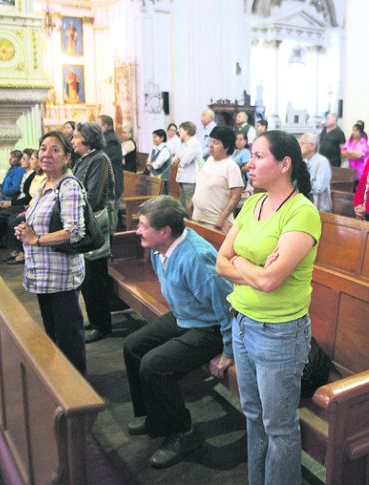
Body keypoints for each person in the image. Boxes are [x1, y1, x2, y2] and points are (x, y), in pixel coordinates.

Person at [216, 130, 320, 485]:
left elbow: (270, 281)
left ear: (284, 164)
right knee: (252, 415)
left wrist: (244, 264)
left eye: (259, 156)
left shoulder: (302, 213)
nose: (250, 162)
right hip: (242, 323)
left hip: (279, 333)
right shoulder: (253, 204)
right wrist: (253, 267)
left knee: (279, 425)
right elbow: (220, 262)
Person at [123, 196, 234, 469]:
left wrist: (229, 351)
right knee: (133, 345)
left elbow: (226, 306)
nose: (137, 230)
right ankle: (155, 417)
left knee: (155, 365)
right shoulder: (161, 249)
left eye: (143, 225)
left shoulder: (195, 257)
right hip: (186, 316)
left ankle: (183, 434)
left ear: (164, 231)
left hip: (211, 327)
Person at [15, 131, 87, 374]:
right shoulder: (44, 184)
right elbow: (39, 221)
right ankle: (60, 382)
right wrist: (25, 229)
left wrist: (35, 239)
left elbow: (73, 231)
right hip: (42, 274)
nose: (46, 154)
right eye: (43, 148)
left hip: (60, 275)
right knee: (53, 333)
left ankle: (79, 390)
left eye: (55, 149)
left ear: (67, 157)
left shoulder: (68, 187)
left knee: (69, 336)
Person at [71, 122, 117, 343]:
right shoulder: (84, 159)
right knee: (87, 277)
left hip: (96, 223)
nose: (72, 141)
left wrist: (71, 209)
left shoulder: (99, 159)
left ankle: (103, 325)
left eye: (76, 137)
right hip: (84, 222)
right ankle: (95, 319)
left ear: (88, 138)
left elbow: (95, 197)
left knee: (94, 277)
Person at [192, 126, 244, 233]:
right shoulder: (209, 160)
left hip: (214, 223)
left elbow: (236, 195)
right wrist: (191, 203)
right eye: (211, 141)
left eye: (216, 143)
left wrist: (222, 218)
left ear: (226, 147)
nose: (211, 145)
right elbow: (202, 184)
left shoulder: (231, 166)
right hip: (197, 217)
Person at [0, 149, 37, 248]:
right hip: (19, 200)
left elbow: (26, 195)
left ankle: (0, 242)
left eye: (24, 159)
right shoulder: (24, 173)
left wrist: (11, 202)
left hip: (24, 204)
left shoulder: (32, 175)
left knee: (1, 215)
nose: (21, 161)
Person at [3, 151, 46, 265]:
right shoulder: (35, 175)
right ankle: (18, 250)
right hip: (31, 206)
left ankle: (23, 253)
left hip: (37, 208)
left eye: (31, 159)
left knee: (14, 221)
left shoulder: (44, 176)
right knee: (12, 219)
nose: (29, 161)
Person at [99, 114, 123, 231]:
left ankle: (113, 243)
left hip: (112, 185)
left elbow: (103, 159)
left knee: (111, 216)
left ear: (105, 126)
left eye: (98, 126)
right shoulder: (105, 139)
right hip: (107, 184)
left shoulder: (111, 141)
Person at [172, 121, 204, 210]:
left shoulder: (195, 144)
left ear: (187, 131)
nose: (179, 132)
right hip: (181, 177)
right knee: (182, 206)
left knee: (189, 206)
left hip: (190, 179)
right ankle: (184, 223)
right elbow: (174, 161)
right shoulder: (184, 144)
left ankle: (190, 224)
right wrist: (178, 159)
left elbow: (184, 162)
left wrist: (179, 159)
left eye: (181, 130)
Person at [300, 132, 332, 212]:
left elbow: (319, 188)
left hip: (318, 206)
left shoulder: (322, 162)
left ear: (312, 146)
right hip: (302, 202)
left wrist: (301, 186)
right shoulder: (302, 160)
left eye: (302, 143)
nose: (299, 146)